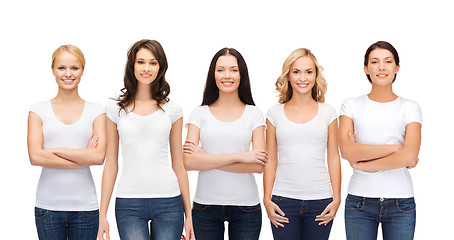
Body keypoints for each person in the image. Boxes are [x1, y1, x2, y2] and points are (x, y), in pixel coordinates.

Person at [97, 39, 194, 240]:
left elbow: (179, 165)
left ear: (160, 67)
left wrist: (189, 215)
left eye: (153, 62)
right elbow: (111, 164)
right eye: (141, 62)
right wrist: (102, 214)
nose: (146, 68)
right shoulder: (115, 108)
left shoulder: (173, 108)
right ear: (132, 65)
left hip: (169, 201)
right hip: (128, 203)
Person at [339, 41, 422, 240]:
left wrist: (363, 164)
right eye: (375, 62)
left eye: (388, 61)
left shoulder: (410, 108)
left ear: (397, 68)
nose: (382, 67)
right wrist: (395, 149)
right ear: (366, 68)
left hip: (400, 202)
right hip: (359, 202)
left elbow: (410, 155)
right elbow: (347, 152)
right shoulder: (351, 105)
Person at [183, 48, 267, 240]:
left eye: (233, 70)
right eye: (220, 70)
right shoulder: (199, 113)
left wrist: (206, 159)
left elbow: (258, 165)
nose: (226, 75)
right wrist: (241, 156)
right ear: (213, 74)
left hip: (246, 207)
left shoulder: (254, 113)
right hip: (205, 206)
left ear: (241, 74)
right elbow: (188, 162)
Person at [28, 44, 107, 239]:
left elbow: (98, 157)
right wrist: (83, 156)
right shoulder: (38, 110)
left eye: (74, 68)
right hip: (47, 207)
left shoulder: (97, 111)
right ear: (53, 70)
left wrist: (53, 151)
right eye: (61, 68)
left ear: (82, 70)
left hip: (85, 208)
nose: (68, 74)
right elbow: (35, 157)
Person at [263, 48, 341, 240]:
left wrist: (337, 198)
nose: (302, 78)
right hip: (283, 200)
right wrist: (266, 198)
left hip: (321, 200)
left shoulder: (328, 112)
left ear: (316, 75)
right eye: (296, 72)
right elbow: (271, 159)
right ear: (288, 76)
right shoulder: (274, 113)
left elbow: (333, 157)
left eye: (308, 72)